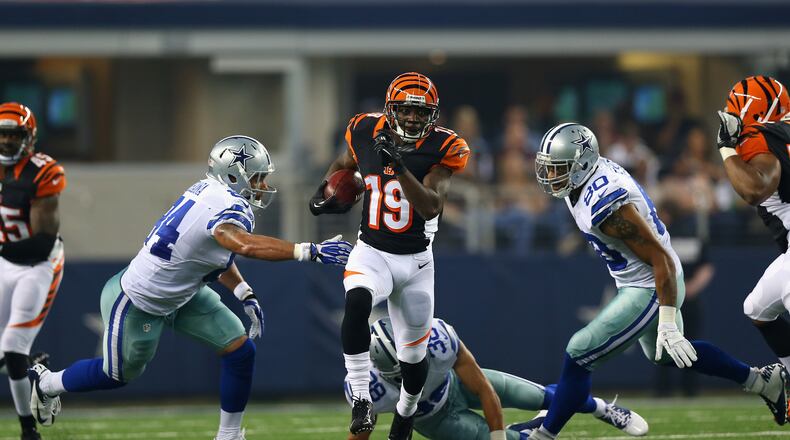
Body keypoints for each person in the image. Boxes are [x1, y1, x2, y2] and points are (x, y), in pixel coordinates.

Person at [27, 135, 353, 440]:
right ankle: (47, 382)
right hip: (139, 299)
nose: (264, 186)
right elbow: (241, 244)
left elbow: (213, 255)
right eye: (257, 178)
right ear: (235, 176)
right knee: (115, 375)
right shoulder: (229, 207)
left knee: (240, 351)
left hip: (184, 293)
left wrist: (243, 292)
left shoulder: (208, 190)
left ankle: (229, 435)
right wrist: (309, 250)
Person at [526, 122, 788, 440]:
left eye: (559, 168)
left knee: (579, 351)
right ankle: (761, 381)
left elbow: (660, 259)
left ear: (582, 165)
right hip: (641, 278)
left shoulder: (607, 205)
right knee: (666, 354)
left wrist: (666, 321)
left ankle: (543, 434)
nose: (551, 175)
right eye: (549, 167)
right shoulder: (584, 181)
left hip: (652, 283)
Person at [309, 72, 470, 439]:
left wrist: (398, 166)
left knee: (413, 360)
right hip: (372, 250)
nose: (412, 118)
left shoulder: (443, 146)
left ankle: (406, 414)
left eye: (421, 112)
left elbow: (431, 206)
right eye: (405, 110)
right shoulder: (364, 129)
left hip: (416, 263)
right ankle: (361, 399)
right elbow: (343, 165)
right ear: (389, 109)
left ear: (433, 115)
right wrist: (326, 191)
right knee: (357, 302)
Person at [346, 317, 648, 440]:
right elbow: (360, 434)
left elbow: (483, 387)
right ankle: (528, 430)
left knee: (538, 396)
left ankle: (600, 407)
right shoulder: (367, 387)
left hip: (457, 385)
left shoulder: (437, 339)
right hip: (434, 419)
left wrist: (498, 436)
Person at [716, 75, 790, 387]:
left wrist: (726, 149)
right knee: (757, 307)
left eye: (735, 110)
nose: (730, 118)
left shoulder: (761, 135)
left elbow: (754, 189)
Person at [0, 102, 65, 440]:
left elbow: (41, 243)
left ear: (29, 137)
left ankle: (29, 430)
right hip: (5, 262)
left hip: (39, 266)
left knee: (12, 345)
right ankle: (34, 370)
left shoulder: (42, 172)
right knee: (9, 353)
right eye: (2, 134)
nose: (6, 141)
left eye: (14, 134)